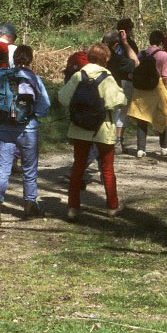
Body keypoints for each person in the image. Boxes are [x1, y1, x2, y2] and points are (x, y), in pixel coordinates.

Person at [58, 43, 128, 220]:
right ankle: (112, 206)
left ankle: (72, 208)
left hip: (80, 128)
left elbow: (63, 98)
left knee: (78, 168)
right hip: (102, 129)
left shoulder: (78, 76)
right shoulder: (107, 77)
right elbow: (117, 101)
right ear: (105, 59)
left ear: (88, 56)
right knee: (107, 169)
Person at [0, 45, 51, 223]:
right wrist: (32, 115)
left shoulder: (1, 76)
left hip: (5, 128)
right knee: (29, 170)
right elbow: (44, 106)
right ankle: (30, 205)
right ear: (30, 59)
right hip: (28, 129)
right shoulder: (34, 78)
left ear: (13, 59)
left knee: (2, 169)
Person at [125, 29, 167, 158]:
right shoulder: (163, 55)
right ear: (161, 42)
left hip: (141, 89)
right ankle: (164, 146)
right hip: (157, 88)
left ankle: (141, 149)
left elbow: (134, 69)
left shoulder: (142, 54)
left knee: (142, 118)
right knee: (162, 117)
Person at [104, 19, 140, 150]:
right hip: (124, 80)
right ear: (129, 30)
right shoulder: (129, 44)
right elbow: (135, 63)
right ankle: (118, 140)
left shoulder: (106, 42)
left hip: (106, 80)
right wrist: (125, 43)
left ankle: (107, 138)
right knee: (122, 112)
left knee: (110, 111)